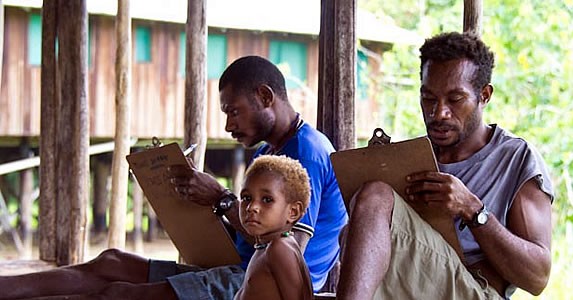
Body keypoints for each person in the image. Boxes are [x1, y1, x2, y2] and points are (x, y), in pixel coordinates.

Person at [0, 56, 347, 299]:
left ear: (265, 97)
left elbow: (287, 248)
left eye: (234, 111)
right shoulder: (266, 155)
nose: (228, 126)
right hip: (233, 267)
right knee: (111, 261)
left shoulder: (308, 151)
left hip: (250, 282)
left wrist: (220, 199)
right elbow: (249, 233)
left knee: (116, 293)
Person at [336, 32, 554, 300]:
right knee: (359, 218)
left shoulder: (516, 158)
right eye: (429, 98)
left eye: (455, 99)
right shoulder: (412, 157)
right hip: (409, 287)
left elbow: (538, 278)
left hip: (478, 292)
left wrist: (473, 210)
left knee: (375, 197)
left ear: (484, 96)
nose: (438, 113)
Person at [234, 155, 313, 300]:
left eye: (267, 200)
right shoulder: (266, 246)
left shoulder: (279, 248)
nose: (252, 207)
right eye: (246, 198)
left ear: (293, 212)